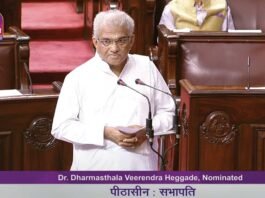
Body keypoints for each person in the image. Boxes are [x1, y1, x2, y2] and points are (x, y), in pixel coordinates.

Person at [51, 9, 175, 170]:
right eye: (106, 41)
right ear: (95, 42)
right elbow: (61, 127)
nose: (114, 48)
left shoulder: (147, 67)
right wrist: (105, 132)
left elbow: (169, 114)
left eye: (121, 40)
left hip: (141, 169)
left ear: (132, 40)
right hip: (94, 170)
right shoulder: (78, 77)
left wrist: (148, 130)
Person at [159, 0, 235, 31]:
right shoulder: (171, 8)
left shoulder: (222, 6)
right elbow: (165, 44)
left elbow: (231, 41)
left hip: (217, 59)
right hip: (182, 60)